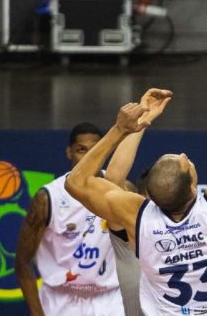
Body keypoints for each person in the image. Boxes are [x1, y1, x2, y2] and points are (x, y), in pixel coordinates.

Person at [64, 18, 207, 315]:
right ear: (193, 185)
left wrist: (120, 129)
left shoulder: (137, 218)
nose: (187, 155)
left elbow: (76, 182)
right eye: (184, 161)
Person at [15, 89, 171, 316]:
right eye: (81, 150)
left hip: (111, 299)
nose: (87, 156)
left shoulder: (120, 187)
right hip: (61, 299)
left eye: (94, 149)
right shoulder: (48, 198)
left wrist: (141, 120)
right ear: (69, 152)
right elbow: (22, 262)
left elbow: (114, 176)